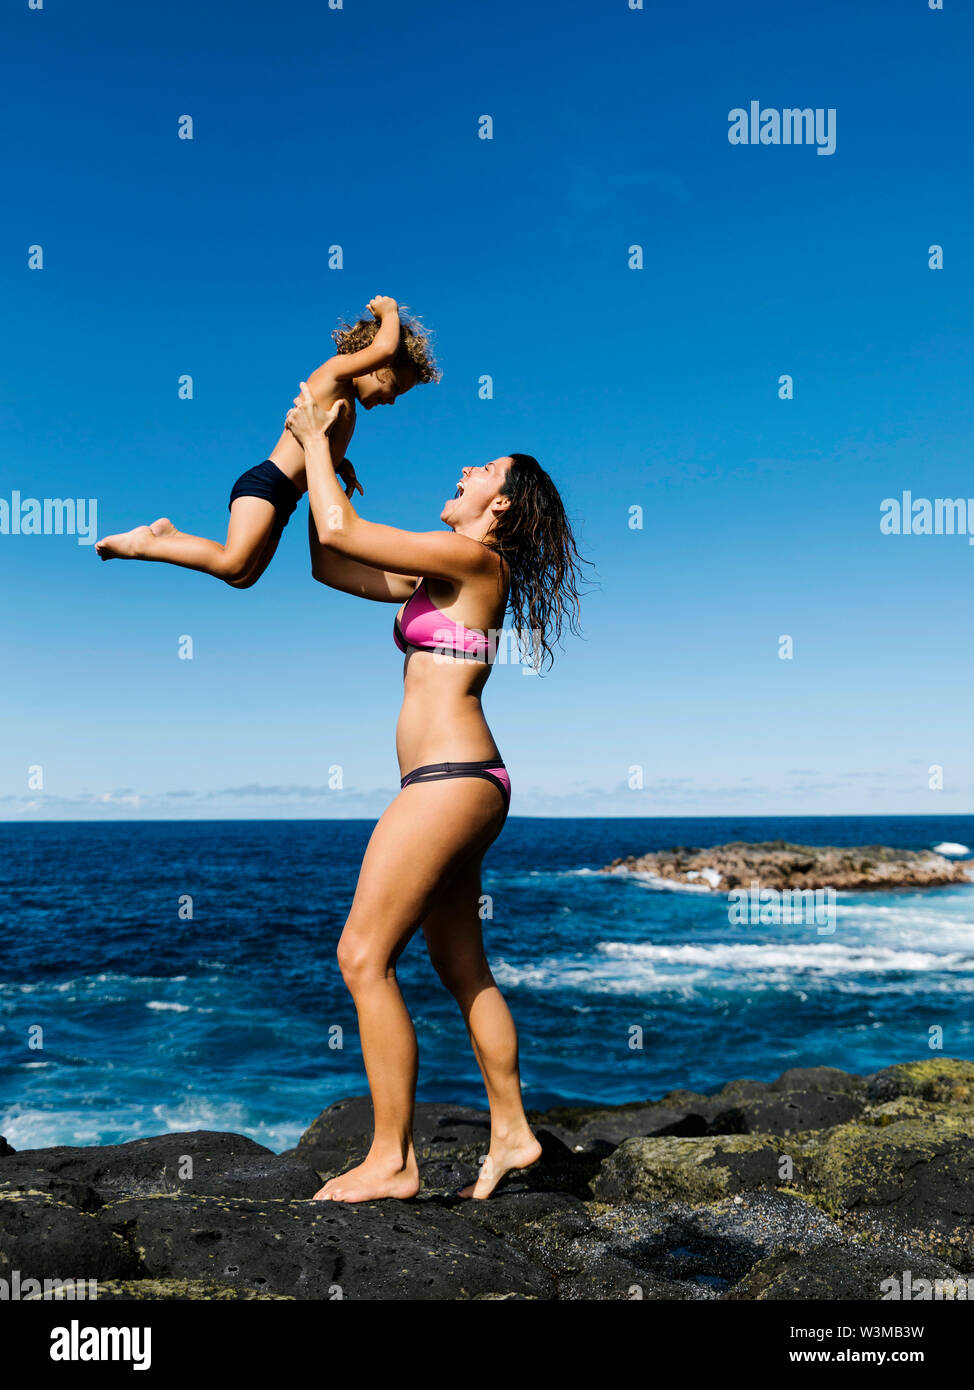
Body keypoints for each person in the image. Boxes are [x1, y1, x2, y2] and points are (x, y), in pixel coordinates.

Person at [284, 383, 587, 1201]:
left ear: (503, 506)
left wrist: (315, 437)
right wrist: (332, 465)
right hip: (457, 782)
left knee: (361, 955)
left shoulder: (473, 561)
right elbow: (328, 555)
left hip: (451, 783)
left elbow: (343, 529)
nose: (465, 467)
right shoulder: (435, 581)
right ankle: (515, 1132)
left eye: (484, 468)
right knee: (463, 968)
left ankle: (393, 1160)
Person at [94, 297, 439, 587]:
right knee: (232, 563)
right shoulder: (333, 376)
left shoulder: (347, 410)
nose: (392, 400)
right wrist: (391, 312)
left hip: (286, 499)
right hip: (266, 484)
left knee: (243, 578)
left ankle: (172, 536)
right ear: (373, 364)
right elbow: (385, 346)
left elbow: (317, 450)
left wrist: (341, 466)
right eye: (393, 388)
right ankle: (144, 544)